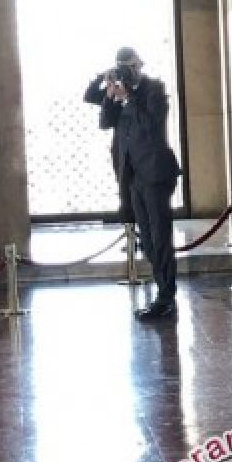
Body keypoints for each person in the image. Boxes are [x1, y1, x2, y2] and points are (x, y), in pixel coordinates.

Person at [90, 47, 181, 321]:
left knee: (160, 237)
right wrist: (105, 87)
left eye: (130, 65)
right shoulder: (119, 94)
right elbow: (105, 123)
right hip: (133, 177)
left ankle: (165, 299)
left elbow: (152, 124)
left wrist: (128, 96)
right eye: (123, 67)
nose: (129, 71)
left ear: (139, 64)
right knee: (148, 241)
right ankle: (164, 293)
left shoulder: (154, 89)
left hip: (156, 174)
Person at [84, 63, 136, 224]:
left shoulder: (141, 94)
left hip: (140, 150)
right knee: (125, 193)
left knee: (142, 195)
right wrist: (103, 81)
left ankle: (144, 236)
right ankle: (131, 236)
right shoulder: (112, 96)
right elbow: (103, 120)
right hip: (120, 150)